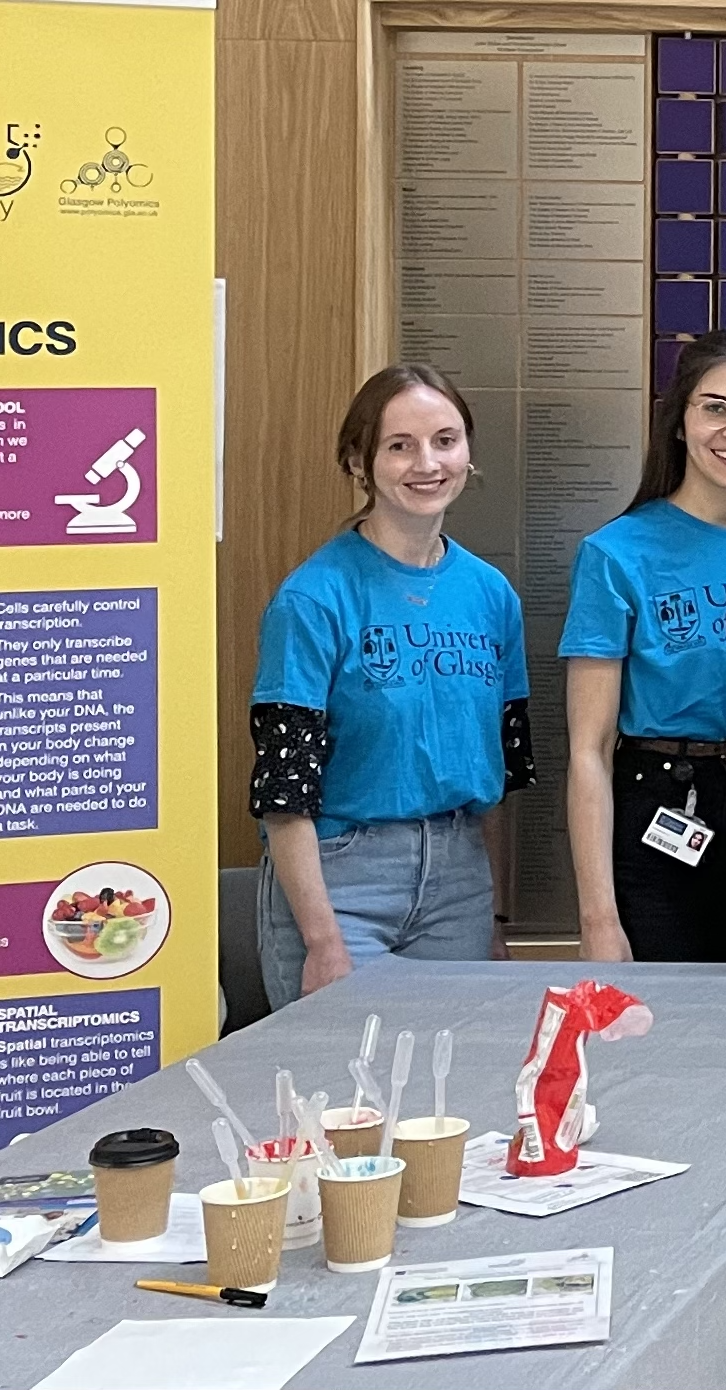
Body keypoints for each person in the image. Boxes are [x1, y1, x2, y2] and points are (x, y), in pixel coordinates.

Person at [249, 364, 528, 1007]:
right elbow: (284, 794)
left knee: (447, 1096)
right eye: (399, 445)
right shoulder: (314, 599)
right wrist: (322, 941)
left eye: (445, 440)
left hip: (460, 880)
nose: (426, 463)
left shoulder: (491, 596)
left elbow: (504, 775)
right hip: (342, 884)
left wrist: (494, 919)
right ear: (359, 460)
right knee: (341, 1099)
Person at [560, 330, 726, 964]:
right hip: (661, 813)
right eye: (716, 407)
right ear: (679, 421)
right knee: (666, 1031)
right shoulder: (615, 555)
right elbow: (589, 752)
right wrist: (598, 920)